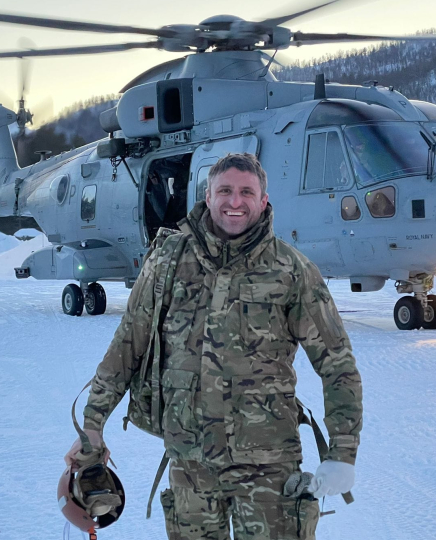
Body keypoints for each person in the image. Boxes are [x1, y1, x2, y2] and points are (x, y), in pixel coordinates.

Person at [65, 153, 363, 540]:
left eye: (245, 192)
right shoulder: (168, 262)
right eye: (225, 190)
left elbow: (336, 363)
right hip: (190, 465)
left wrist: (342, 451)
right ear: (208, 196)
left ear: (263, 199)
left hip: (268, 466)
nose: (234, 201)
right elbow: (127, 346)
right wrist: (92, 426)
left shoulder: (292, 271)